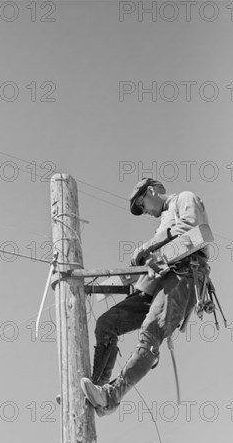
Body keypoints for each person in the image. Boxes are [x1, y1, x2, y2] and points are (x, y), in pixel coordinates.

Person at [80, 178, 210, 417]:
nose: (146, 211)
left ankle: (111, 396)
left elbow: (192, 227)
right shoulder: (163, 223)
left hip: (184, 275)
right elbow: (156, 257)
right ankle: (96, 388)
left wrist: (147, 248)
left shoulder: (184, 198)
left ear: (152, 190)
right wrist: (135, 272)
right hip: (155, 284)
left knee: (151, 331)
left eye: (143, 204)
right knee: (107, 324)